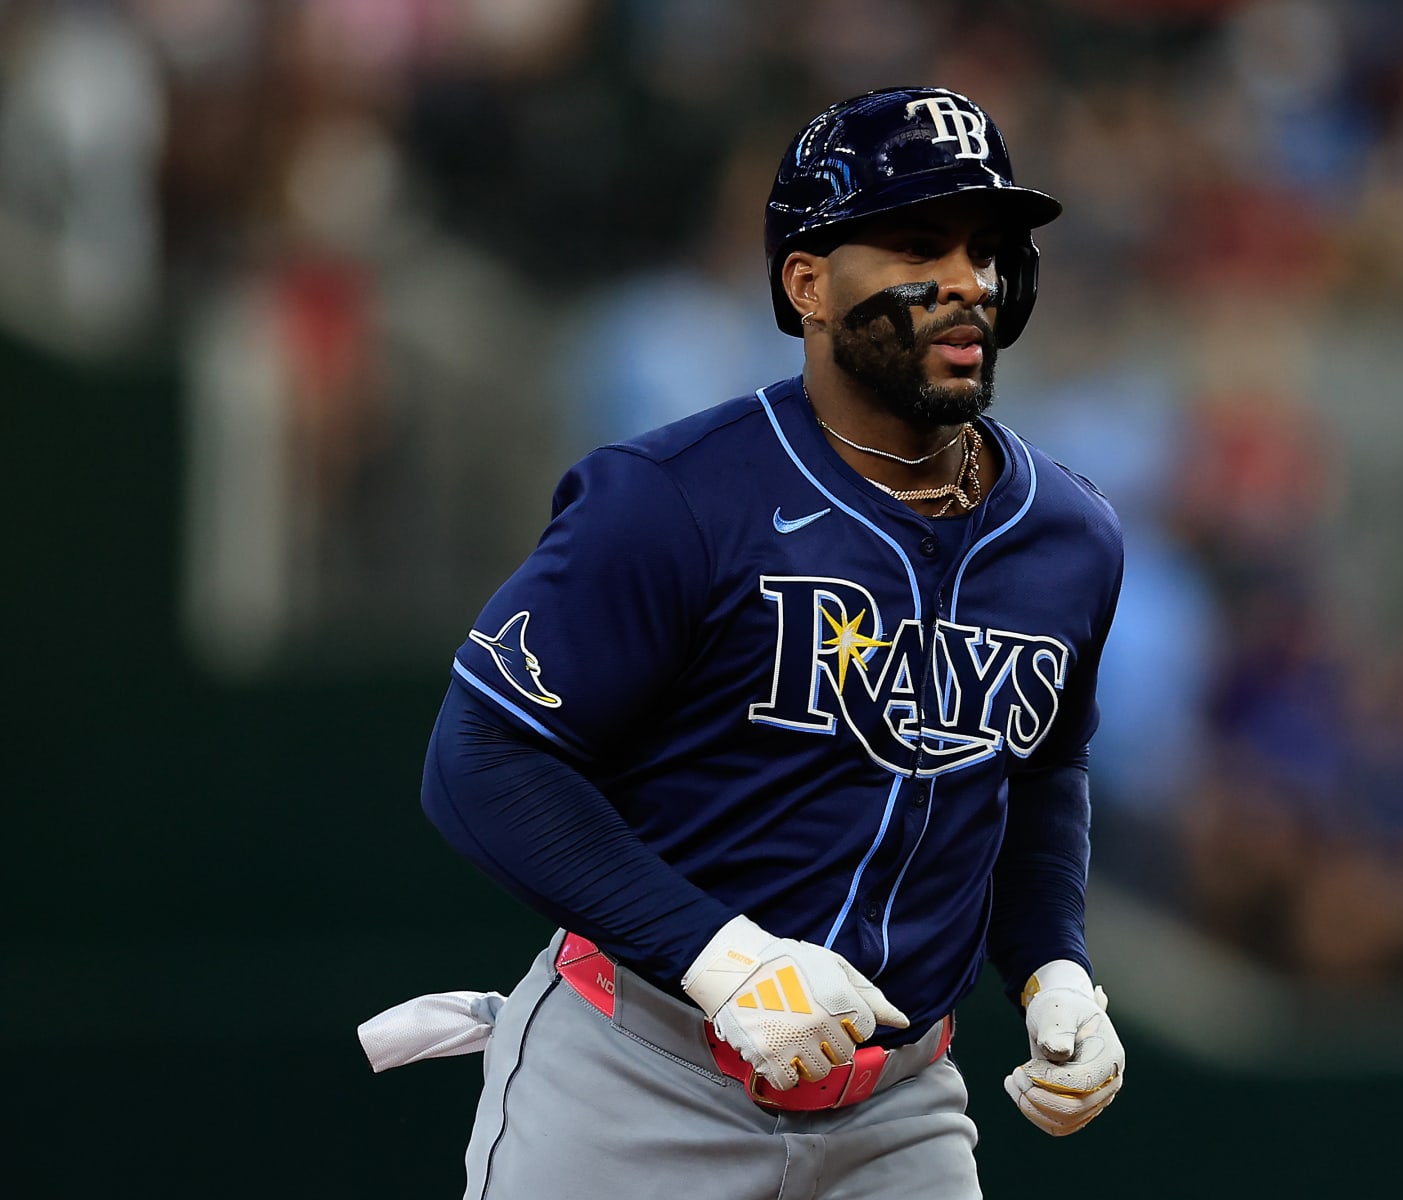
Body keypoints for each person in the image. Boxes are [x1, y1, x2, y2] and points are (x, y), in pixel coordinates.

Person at [359, 86, 1127, 1199]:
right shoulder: (674, 499)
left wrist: (1054, 968)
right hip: (640, 1077)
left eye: (988, 247)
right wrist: (724, 960)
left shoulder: (1071, 538)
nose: (968, 281)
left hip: (899, 1110)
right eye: (917, 243)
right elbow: (480, 758)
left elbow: (1039, 767)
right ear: (806, 283)